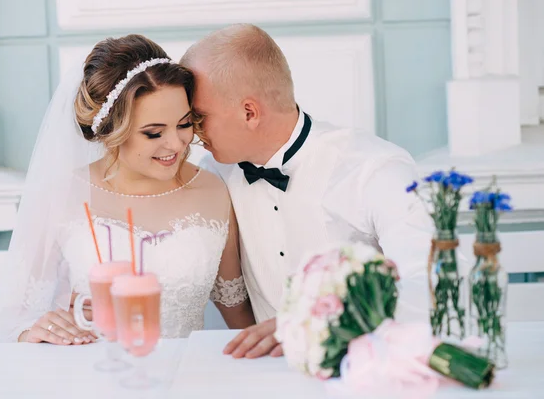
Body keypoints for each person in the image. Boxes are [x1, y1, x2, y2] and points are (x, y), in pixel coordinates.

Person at [181, 24, 434, 359]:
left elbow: (430, 282)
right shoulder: (213, 175)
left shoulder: (374, 168)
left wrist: (316, 324)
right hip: (261, 373)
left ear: (249, 112)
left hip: (363, 368)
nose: (192, 131)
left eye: (199, 117)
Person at [0, 34, 256, 344]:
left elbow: (239, 319)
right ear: (110, 131)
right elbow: (14, 324)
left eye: (184, 124)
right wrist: (35, 331)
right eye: (153, 133)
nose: (175, 144)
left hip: (184, 379)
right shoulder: (63, 194)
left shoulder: (212, 190)